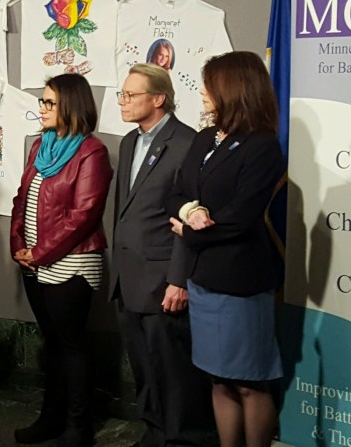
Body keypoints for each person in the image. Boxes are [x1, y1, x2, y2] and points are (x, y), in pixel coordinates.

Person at [167, 52, 284, 447]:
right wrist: (190, 210)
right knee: (218, 377)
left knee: (248, 382)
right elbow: (180, 189)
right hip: (203, 280)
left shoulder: (263, 146)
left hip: (241, 282)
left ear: (233, 89)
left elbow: (243, 215)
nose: (202, 92)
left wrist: (190, 231)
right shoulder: (205, 137)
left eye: (209, 84)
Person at [110, 64, 211, 447]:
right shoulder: (128, 142)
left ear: (158, 98)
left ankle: (181, 439)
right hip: (128, 276)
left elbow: (189, 212)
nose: (123, 101)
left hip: (162, 279)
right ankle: (154, 432)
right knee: (143, 368)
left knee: (172, 371)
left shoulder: (187, 142)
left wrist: (178, 279)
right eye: (122, 94)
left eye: (130, 95)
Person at [10, 73, 112, 446]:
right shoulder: (42, 146)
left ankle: (78, 427)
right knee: (51, 343)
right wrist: (19, 245)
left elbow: (82, 215)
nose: (42, 108)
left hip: (72, 263)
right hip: (36, 261)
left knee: (70, 345)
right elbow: (23, 198)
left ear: (70, 105)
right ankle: (50, 418)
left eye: (49, 103)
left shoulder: (92, 152)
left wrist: (39, 252)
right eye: (42, 101)